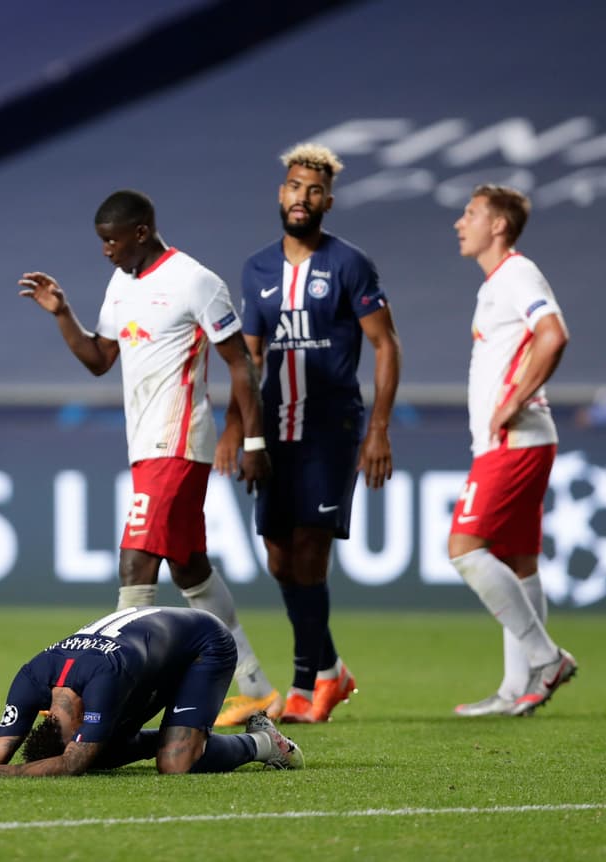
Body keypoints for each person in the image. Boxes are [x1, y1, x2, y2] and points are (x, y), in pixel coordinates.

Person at [19, 189, 281, 726]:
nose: (106, 252)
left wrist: (251, 440)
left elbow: (240, 364)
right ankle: (255, 686)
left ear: (141, 232)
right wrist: (63, 313)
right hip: (145, 445)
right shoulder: (122, 283)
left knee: (135, 562)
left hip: (179, 440)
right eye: (102, 243)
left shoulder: (195, 281)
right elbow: (99, 358)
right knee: (190, 570)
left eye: (112, 241)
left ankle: (107, 703)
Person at [219, 143, 401, 724]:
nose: (303, 198)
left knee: (308, 554)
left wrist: (378, 432)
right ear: (281, 194)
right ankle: (331, 671)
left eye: (315, 190)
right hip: (274, 428)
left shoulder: (349, 264)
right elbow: (247, 359)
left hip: (331, 427)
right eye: (295, 187)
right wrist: (238, 431)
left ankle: (305, 687)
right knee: (277, 558)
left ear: (329, 200)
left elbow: (385, 345)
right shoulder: (257, 269)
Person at [448, 184, 577, 718]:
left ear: (498, 225)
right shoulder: (498, 282)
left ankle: (545, 658)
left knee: (465, 548)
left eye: (472, 213)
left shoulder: (517, 273)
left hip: (515, 440)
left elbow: (553, 334)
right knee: (517, 562)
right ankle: (517, 688)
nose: (461, 222)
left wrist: (515, 400)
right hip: (518, 439)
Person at [0, 606, 303, 777]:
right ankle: (180, 738)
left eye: (79, 733)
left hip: (203, 644)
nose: (82, 737)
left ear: (53, 713)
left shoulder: (104, 682)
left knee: (175, 763)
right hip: (149, 645)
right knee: (101, 753)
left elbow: (73, 762)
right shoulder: (30, 680)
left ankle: (266, 744)